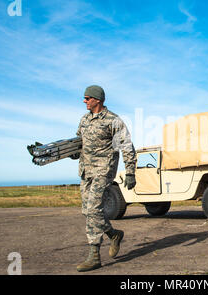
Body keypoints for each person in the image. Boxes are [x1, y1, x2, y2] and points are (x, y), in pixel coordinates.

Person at [74, 85, 137, 272]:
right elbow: (78, 142)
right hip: (86, 170)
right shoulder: (84, 119)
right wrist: (66, 152)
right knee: (87, 211)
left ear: (97, 100)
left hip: (103, 170)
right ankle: (113, 234)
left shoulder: (113, 121)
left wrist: (131, 171)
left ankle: (94, 255)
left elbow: (126, 146)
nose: (84, 101)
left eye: (87, 98)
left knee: (93, 209)